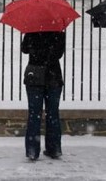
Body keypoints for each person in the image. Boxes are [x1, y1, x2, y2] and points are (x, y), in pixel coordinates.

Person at [21, 31, 66, 161]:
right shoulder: (59, 32)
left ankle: (32, 150)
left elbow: (24, 49)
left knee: (34, 113)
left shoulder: (32, 30)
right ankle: (54, 148)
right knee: (52, 113)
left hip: (35, 74)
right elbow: (58, 54)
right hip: (53, 76)